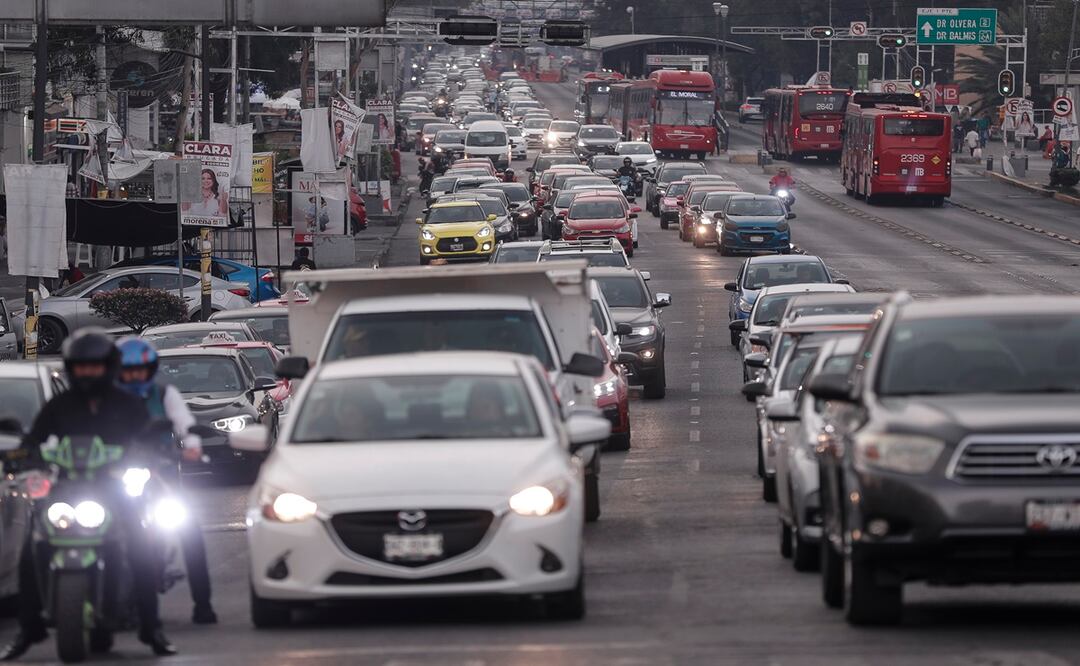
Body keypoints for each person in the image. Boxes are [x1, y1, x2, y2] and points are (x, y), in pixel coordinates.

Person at [0, 330, 176, 660]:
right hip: (65, 490)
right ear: (71, 368)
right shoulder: (59, 405)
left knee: (141, 550)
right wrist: (25, 456)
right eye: (81, 367)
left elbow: (149, 438)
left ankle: (152, 629)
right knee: (32, 549)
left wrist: (149, 451)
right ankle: (28, 629)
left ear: (108, 367)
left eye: (94, 367)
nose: (88, 373)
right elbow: (33, 441)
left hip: (114, 492)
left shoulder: (129, 404)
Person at [116, 338, 218, 626]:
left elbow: (184, 422)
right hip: (116, 474)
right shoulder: (109, 398)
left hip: (160, 472)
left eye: (140, 370)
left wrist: (193, 445)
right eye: (128, 370)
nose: (135, 376)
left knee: (188, 529)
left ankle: (203, 604)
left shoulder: (164, 393)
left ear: (150, 369)